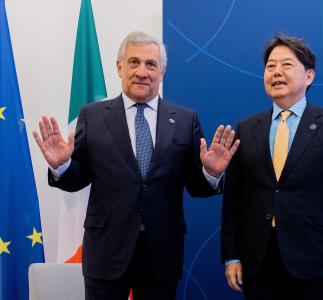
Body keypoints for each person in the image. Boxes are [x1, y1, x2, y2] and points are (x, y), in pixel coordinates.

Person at [33, 31, 239, 300]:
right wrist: (62, 166)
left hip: (161, 253)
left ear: (162, 71)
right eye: (134, 62)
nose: (142, 71)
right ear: (119, 67)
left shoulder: (186, 120)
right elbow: (76, 180)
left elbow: (196, 186)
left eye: (151, 64)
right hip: (106, 252)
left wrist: (212, 173)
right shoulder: (92, 116)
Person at [221, 34, 323, 300]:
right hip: (258, 260)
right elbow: (234, 200)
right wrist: (231, 256)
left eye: (286, 65)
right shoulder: (247, 127)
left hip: (315, 261)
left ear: (309, 76)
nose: (276, 72)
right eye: (270, 66)